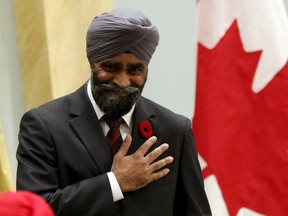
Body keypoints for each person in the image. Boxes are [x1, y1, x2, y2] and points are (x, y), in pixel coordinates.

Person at [16, 8, 211, 216]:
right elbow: (32, 211)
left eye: (135, 70)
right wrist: (114, 183)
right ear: (92, 62)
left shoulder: (175, 130)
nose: (122, 82)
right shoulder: (44, 125)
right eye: (111, 67)